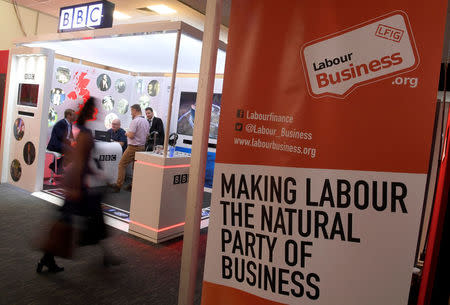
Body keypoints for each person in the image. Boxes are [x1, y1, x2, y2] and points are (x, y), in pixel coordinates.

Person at [37, 98, 119, 273]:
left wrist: (98, 174)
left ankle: (106, 255)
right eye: (94, 109)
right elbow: (80, 161)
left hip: (78, 184)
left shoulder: (81, 130)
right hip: (78, 185)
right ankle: (48, 257)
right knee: (82, 220)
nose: (97, 112)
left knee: (84, 220)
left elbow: (81, 160)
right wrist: (75, 186)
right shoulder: (83, 132)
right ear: (89, 111)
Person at [109, 104, 149, 192]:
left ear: (135, 110)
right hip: (142, 147)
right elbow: (147, 136)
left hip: (133, 147)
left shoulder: (135, 121)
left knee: (121, 164)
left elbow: (131, 135)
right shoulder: (146, 121)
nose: (131, 113)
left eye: (131, 111)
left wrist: (126, 133)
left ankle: (118, 185)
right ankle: (133, 185)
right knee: (136, 168)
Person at [47, 108, 75, 174]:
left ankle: (55, 165)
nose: (74, 117)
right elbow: (61, 136)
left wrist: (74, 141)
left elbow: (71, 135)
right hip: (55, 144)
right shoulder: (60, 124)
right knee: (72, 152)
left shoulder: (70, 124)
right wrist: (70, 142)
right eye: (73, 115)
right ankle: (57, 165)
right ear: (68, 115)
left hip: (63, 143)